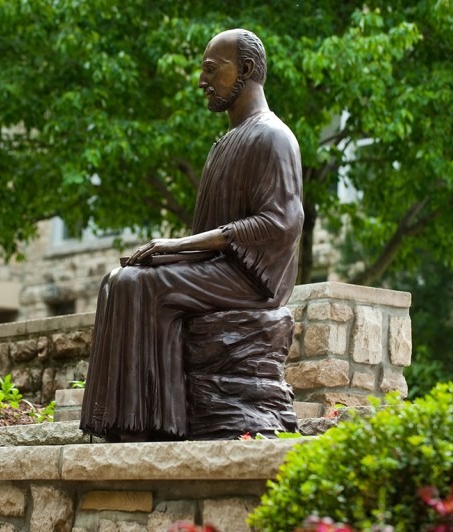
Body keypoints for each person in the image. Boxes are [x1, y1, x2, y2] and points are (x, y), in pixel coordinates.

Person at [80, 29, 303, 441]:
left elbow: (280, 223)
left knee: (142, 286)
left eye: (211, 70)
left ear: (247, 70)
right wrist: (173, 252)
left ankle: (150, 424)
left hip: (251, 279)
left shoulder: (273, 137)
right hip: (218, 267)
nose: (202, 81)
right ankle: (123, 420)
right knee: (119, 280)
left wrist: (178, 246)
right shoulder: (225, 144)